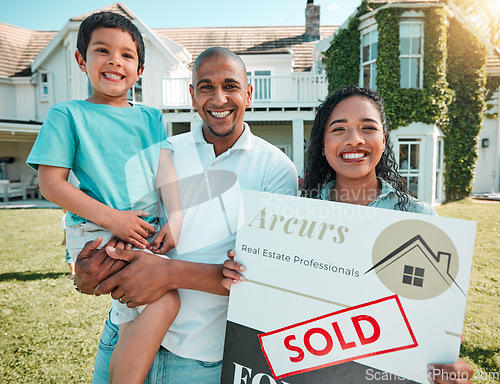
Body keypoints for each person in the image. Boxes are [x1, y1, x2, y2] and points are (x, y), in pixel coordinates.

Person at [72, 46, 298, 383]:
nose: (219, 98)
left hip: (199, 360)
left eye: (231, 86)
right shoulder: (164, 152)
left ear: (249, 93)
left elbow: (266, 277)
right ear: (192, 95)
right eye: (206, 87)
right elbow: (120, 227)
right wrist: (88, 273)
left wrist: (168, 274)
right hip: (124, 335)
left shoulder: (276, 169)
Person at [222, 86, 475, 384]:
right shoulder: (290, 221)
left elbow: (437, 333)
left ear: (383, 139)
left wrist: (451, 369)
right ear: (322, 144)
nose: (354, 139)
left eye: (368, 127)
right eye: (338, 129)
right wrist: (246, 278)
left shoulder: (420, 221)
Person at [26, 12, 182, 384]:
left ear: (140, 69)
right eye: (102, 50)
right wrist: (116, 220)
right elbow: (52, 184)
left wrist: (175, 217)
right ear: (82, 60)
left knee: (132, 318)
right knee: (166, 299)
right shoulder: (68, 114)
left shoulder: (150, 118)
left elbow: (165, 172)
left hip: (143, 228)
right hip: (97, 229)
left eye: (127, 55)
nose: (115, 60)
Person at [61, 209, 76, 278]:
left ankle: (73, 272)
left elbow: (66, 231)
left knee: (70, 258)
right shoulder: (76, 216)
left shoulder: (65, 218)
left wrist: (64, 240)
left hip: (70, 241)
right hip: (78, 239)